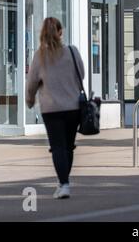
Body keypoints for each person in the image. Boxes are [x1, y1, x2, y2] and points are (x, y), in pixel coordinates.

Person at [26, 17, 84, 199]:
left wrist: (29, 101)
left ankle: (64, 184)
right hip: (73, 107)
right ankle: (64, 182)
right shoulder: (72, 52)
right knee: (68, 146)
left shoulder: (39, 56)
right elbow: (81, 74)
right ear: (60, 33)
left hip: (51, 109)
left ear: (42, 34)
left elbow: (32, 83)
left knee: (57, 147)